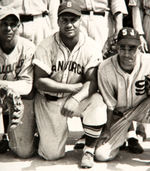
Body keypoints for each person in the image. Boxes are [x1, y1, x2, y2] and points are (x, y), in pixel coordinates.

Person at [32, 1, 107, 168]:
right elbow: (39, 80)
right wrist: (70, 88)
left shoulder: (91, 45)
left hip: (76, 99)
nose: (69, 24)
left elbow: (93, 80)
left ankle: (89, 149)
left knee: (97, 102)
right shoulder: (46, 45)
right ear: (58, 21)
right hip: (49, 101)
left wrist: (76, 97)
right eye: (64, 20)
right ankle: (40, 130)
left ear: (81, 21)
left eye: (73, 20)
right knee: (51, 155)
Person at [95, 27, 150, 161]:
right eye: (122, 47)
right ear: (116, 47)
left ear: (139, 48)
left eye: (131, 48)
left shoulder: (148, 62)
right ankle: (122, 137)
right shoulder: (105, 68)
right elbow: (109, 104)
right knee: (101, 154)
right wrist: (107, 129)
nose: (126, 53)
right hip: (119, 115)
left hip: (143, 107)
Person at [0, 8, 36, 158]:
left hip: (20, 99)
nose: (9, 28)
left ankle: (33, 133)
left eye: (13, 24)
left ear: (19, 27)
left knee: (24, 152)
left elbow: (27, 86)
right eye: (4, 23)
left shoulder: (28, 47)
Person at [62, 0, 128, 52]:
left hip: (102, 19)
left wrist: (118, 29)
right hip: (78, 18)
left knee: (103, 56)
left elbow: (117, 3)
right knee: (79, 56)